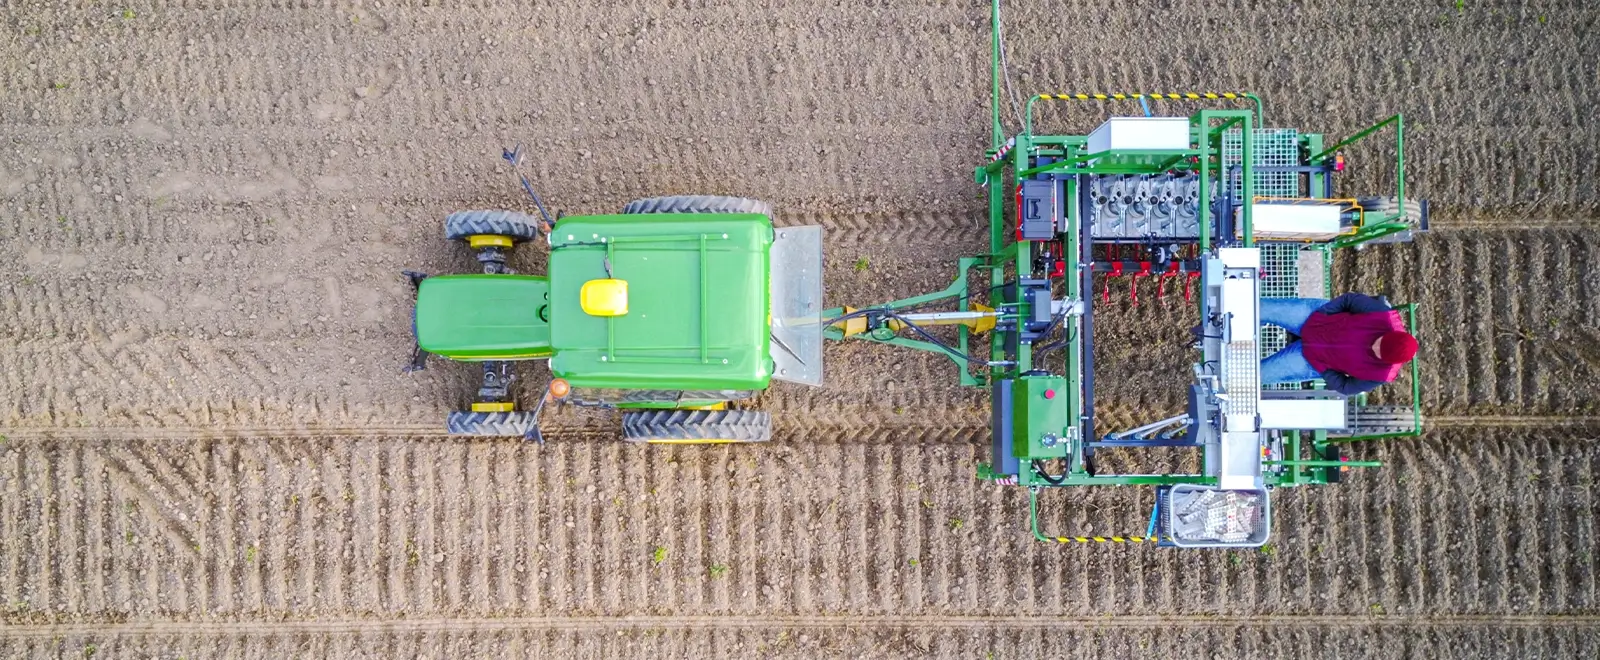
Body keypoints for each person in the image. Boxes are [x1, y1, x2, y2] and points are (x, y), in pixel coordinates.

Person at [1258, 293, 1418, 395]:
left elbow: (1346, 387)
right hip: (1314, 319)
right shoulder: (1382, 315)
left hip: (1312, 361)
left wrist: (1325, 369)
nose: (1375, 348)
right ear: (1390, 333)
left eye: (1378, 353)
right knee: (1261, 308)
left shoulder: (1380, 375)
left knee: (1258, 375)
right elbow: (1349, 300)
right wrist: (1323, 314)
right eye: (1379, 342)